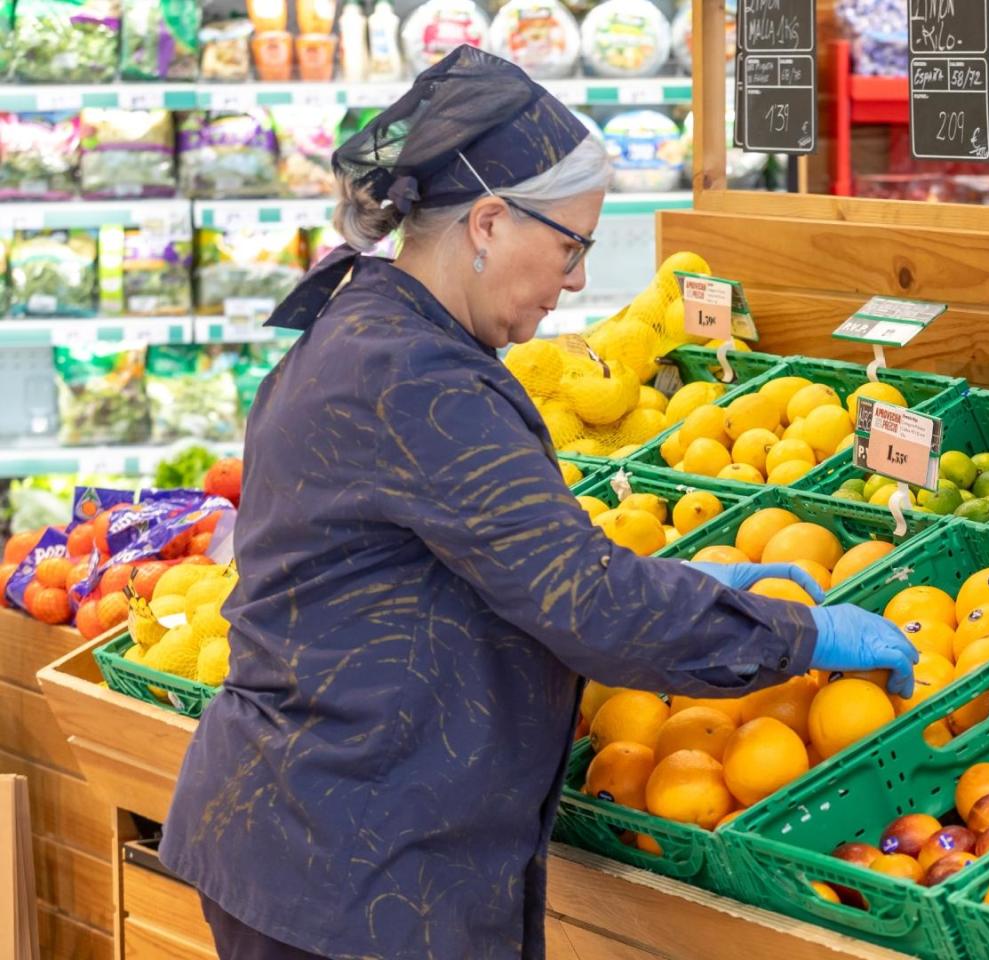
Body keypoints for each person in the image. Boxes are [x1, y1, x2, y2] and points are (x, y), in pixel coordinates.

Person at [159, 46, 917, 960]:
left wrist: (692, 583)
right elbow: (588, 605)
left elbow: (492, 559)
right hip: (356, 870)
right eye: (570, 245)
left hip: (317, 834)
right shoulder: (416, 379)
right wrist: (800, 635)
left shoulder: (371, 328)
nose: (577, 283)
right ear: (487, 223)